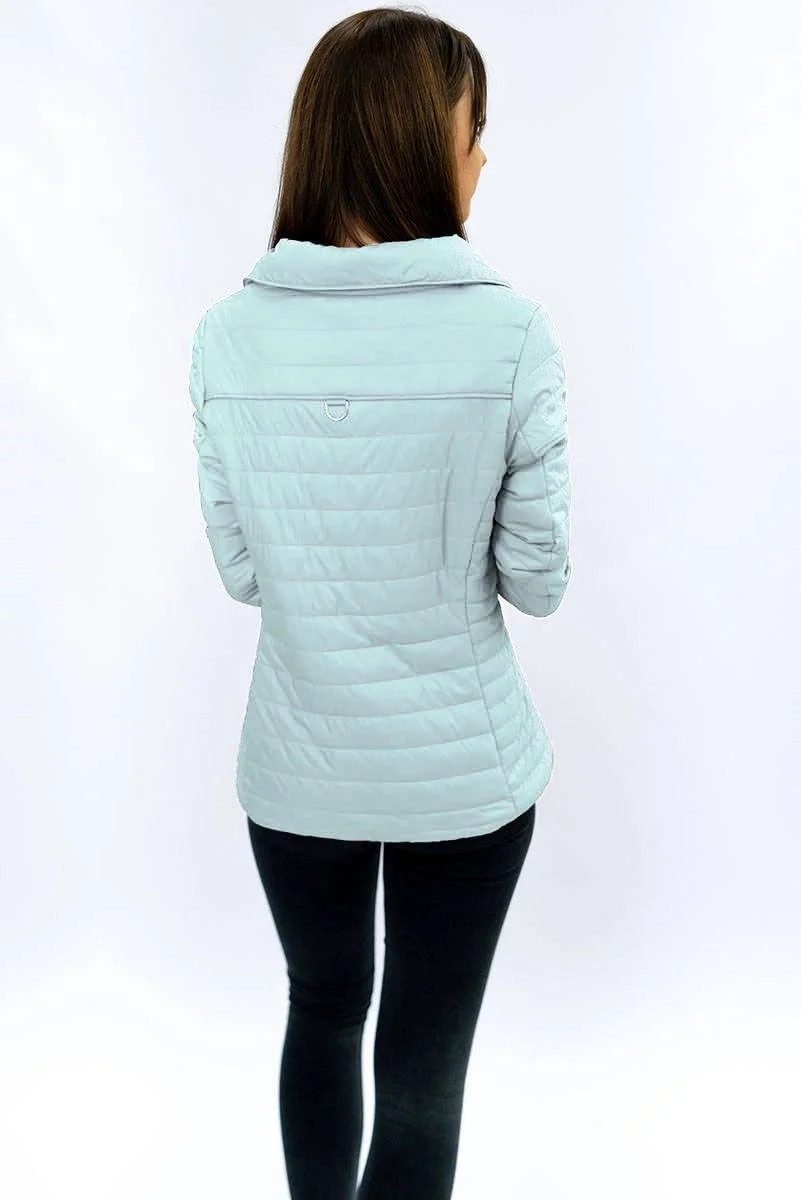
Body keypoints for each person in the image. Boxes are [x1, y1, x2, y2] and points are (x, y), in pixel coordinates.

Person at [188, 8, 572, 1198]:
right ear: (419, 142)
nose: (484, 156)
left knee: (321, 1005)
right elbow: (540, 582)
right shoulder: (511, 334)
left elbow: (244, 574)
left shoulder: (227, 336)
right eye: (475, 128)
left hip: (295, 767)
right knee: (421, 1066)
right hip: (466, 776)